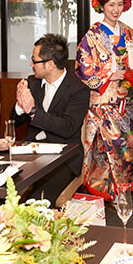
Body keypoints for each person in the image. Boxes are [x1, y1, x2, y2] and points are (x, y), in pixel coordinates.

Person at [75, 0, 133, 201]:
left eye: (120, 4)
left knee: (130, 147)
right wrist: (111, 73)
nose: (116, 9)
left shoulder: (129, 32)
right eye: (111, 5)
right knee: (107, 149)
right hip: (105, 105)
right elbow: (84, 67)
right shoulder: (91, 36)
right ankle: (105, 196)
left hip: (129, 104)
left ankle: (124, 193)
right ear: (101, 6)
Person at [10, 34, 90, 204]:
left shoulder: (78, 90)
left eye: (35, 60)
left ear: (51, 64)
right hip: (30, 152)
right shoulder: (32, 83)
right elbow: (15, 122)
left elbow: (67, 127)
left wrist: (32, 110)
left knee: (36, 201)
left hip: (63, 157)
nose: (31, 64)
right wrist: (19, 105)